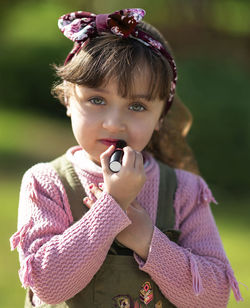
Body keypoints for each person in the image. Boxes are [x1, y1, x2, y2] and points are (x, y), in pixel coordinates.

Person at [10, 8, 242, 308]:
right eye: (97, 100)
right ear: (68, 99)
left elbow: (214, 297)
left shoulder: (184, 191)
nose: (114, 123)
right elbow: (47, 286)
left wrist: (146, 237)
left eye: (136, 106)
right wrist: (113, 205)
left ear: (160, 116)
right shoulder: (46, 182)